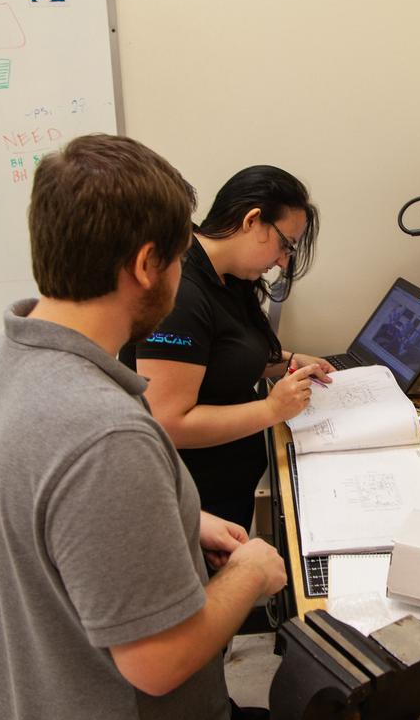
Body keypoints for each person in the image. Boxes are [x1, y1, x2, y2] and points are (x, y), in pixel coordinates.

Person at [0, 134, 286, 720]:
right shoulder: (105, 433)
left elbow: (50, 518)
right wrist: (253, 572)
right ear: (146, 265)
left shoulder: (0, 362)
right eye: (176, 260)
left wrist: (174, 520)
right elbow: (159, 662)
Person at [126, 165, 334, 531]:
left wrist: (286, 361)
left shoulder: (228, 276)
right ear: (253, 220)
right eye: (285, 245)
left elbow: (220, 355)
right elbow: (169, 422)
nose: (283, 261)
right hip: (193, 502)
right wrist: (272, 409)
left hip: (228, 486)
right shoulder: (182, 292)